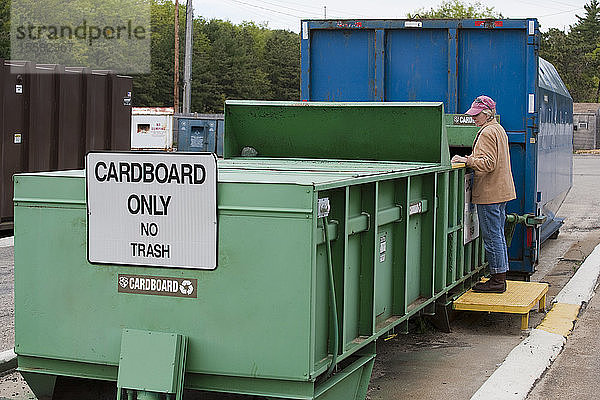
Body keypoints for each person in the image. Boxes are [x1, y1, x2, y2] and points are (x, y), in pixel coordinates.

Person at [451, 95, 516, 293]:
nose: (473, 118)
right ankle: (500, 277)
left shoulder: (487, 132)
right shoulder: (498, 129)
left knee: (492, 236)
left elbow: (488, 163)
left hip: (490, 193)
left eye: (476, 115)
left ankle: (497, 281)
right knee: (498, 235)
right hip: (501, 190)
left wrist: (466, 160)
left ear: (487, 114)